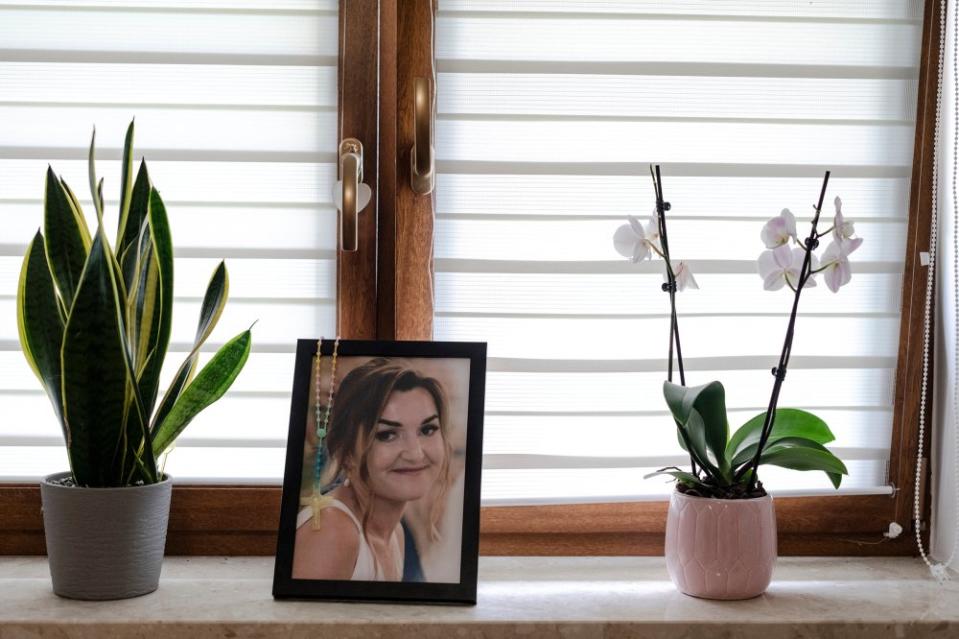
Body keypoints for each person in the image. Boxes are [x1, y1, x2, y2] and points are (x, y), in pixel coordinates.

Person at [292, 358, 453, 581]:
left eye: (427, 429)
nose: (415, 453)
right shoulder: (331, 532)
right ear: (346, 452)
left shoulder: (395, 533)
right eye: (386, 434)